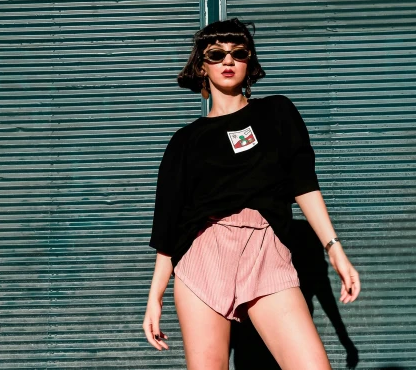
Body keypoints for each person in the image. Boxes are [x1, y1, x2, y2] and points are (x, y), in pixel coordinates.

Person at [143, 18, 360, 369]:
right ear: (201, 66)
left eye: (238, 53)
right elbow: (169, 225)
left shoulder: (276, 113)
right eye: (216, 54)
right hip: (203, 254)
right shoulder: (184, 141)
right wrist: (155, 299)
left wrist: (334, 249)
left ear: (249, 62)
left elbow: (304, 183)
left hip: (265, 248)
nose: (228, 61)